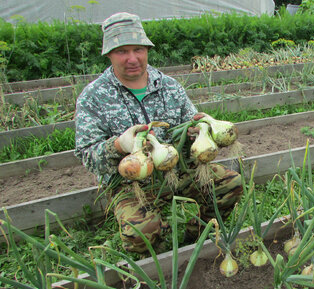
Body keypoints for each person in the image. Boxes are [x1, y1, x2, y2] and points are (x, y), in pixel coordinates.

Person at [74, 12, 243, 253]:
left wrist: (198, 132)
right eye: (122, 51)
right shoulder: (93, 97)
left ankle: (198, 240)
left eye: (138, 49)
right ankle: (160, 257)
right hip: (130, 181)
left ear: (147, 49)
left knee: (230, 184)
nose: (132, 58)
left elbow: (191, 130)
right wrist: (119, 146)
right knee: (141, 232)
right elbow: (88, 155)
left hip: (177, 169)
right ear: (109, 54)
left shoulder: (169, 86)